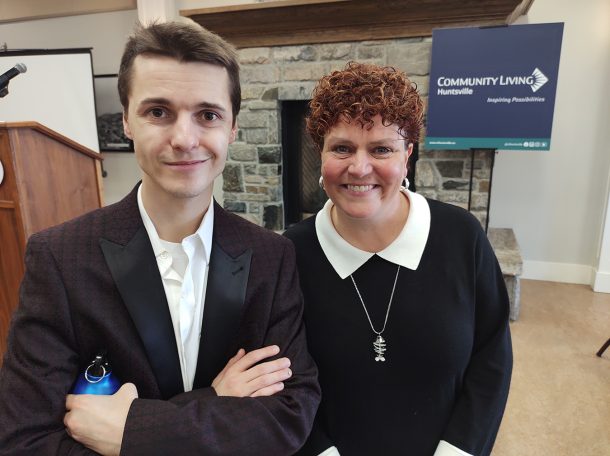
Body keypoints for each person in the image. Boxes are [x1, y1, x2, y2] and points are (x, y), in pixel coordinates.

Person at [0, 21, 319, 455]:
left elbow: (288, 416)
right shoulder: (58, 257)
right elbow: (26, 441)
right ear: (127, 120)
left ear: (232, 128)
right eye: (158, 112)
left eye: (207, 115)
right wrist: (214, 404)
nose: (184, 139)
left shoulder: (271, 255)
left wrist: (133, 432)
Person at [284, 62, 512, 456]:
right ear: (320, 154)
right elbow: (285, 379)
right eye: (341, 148)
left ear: (407, 156)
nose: (359, 167)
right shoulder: (290, 253)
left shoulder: (461, 236)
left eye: (381, 149)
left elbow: (491, 356)